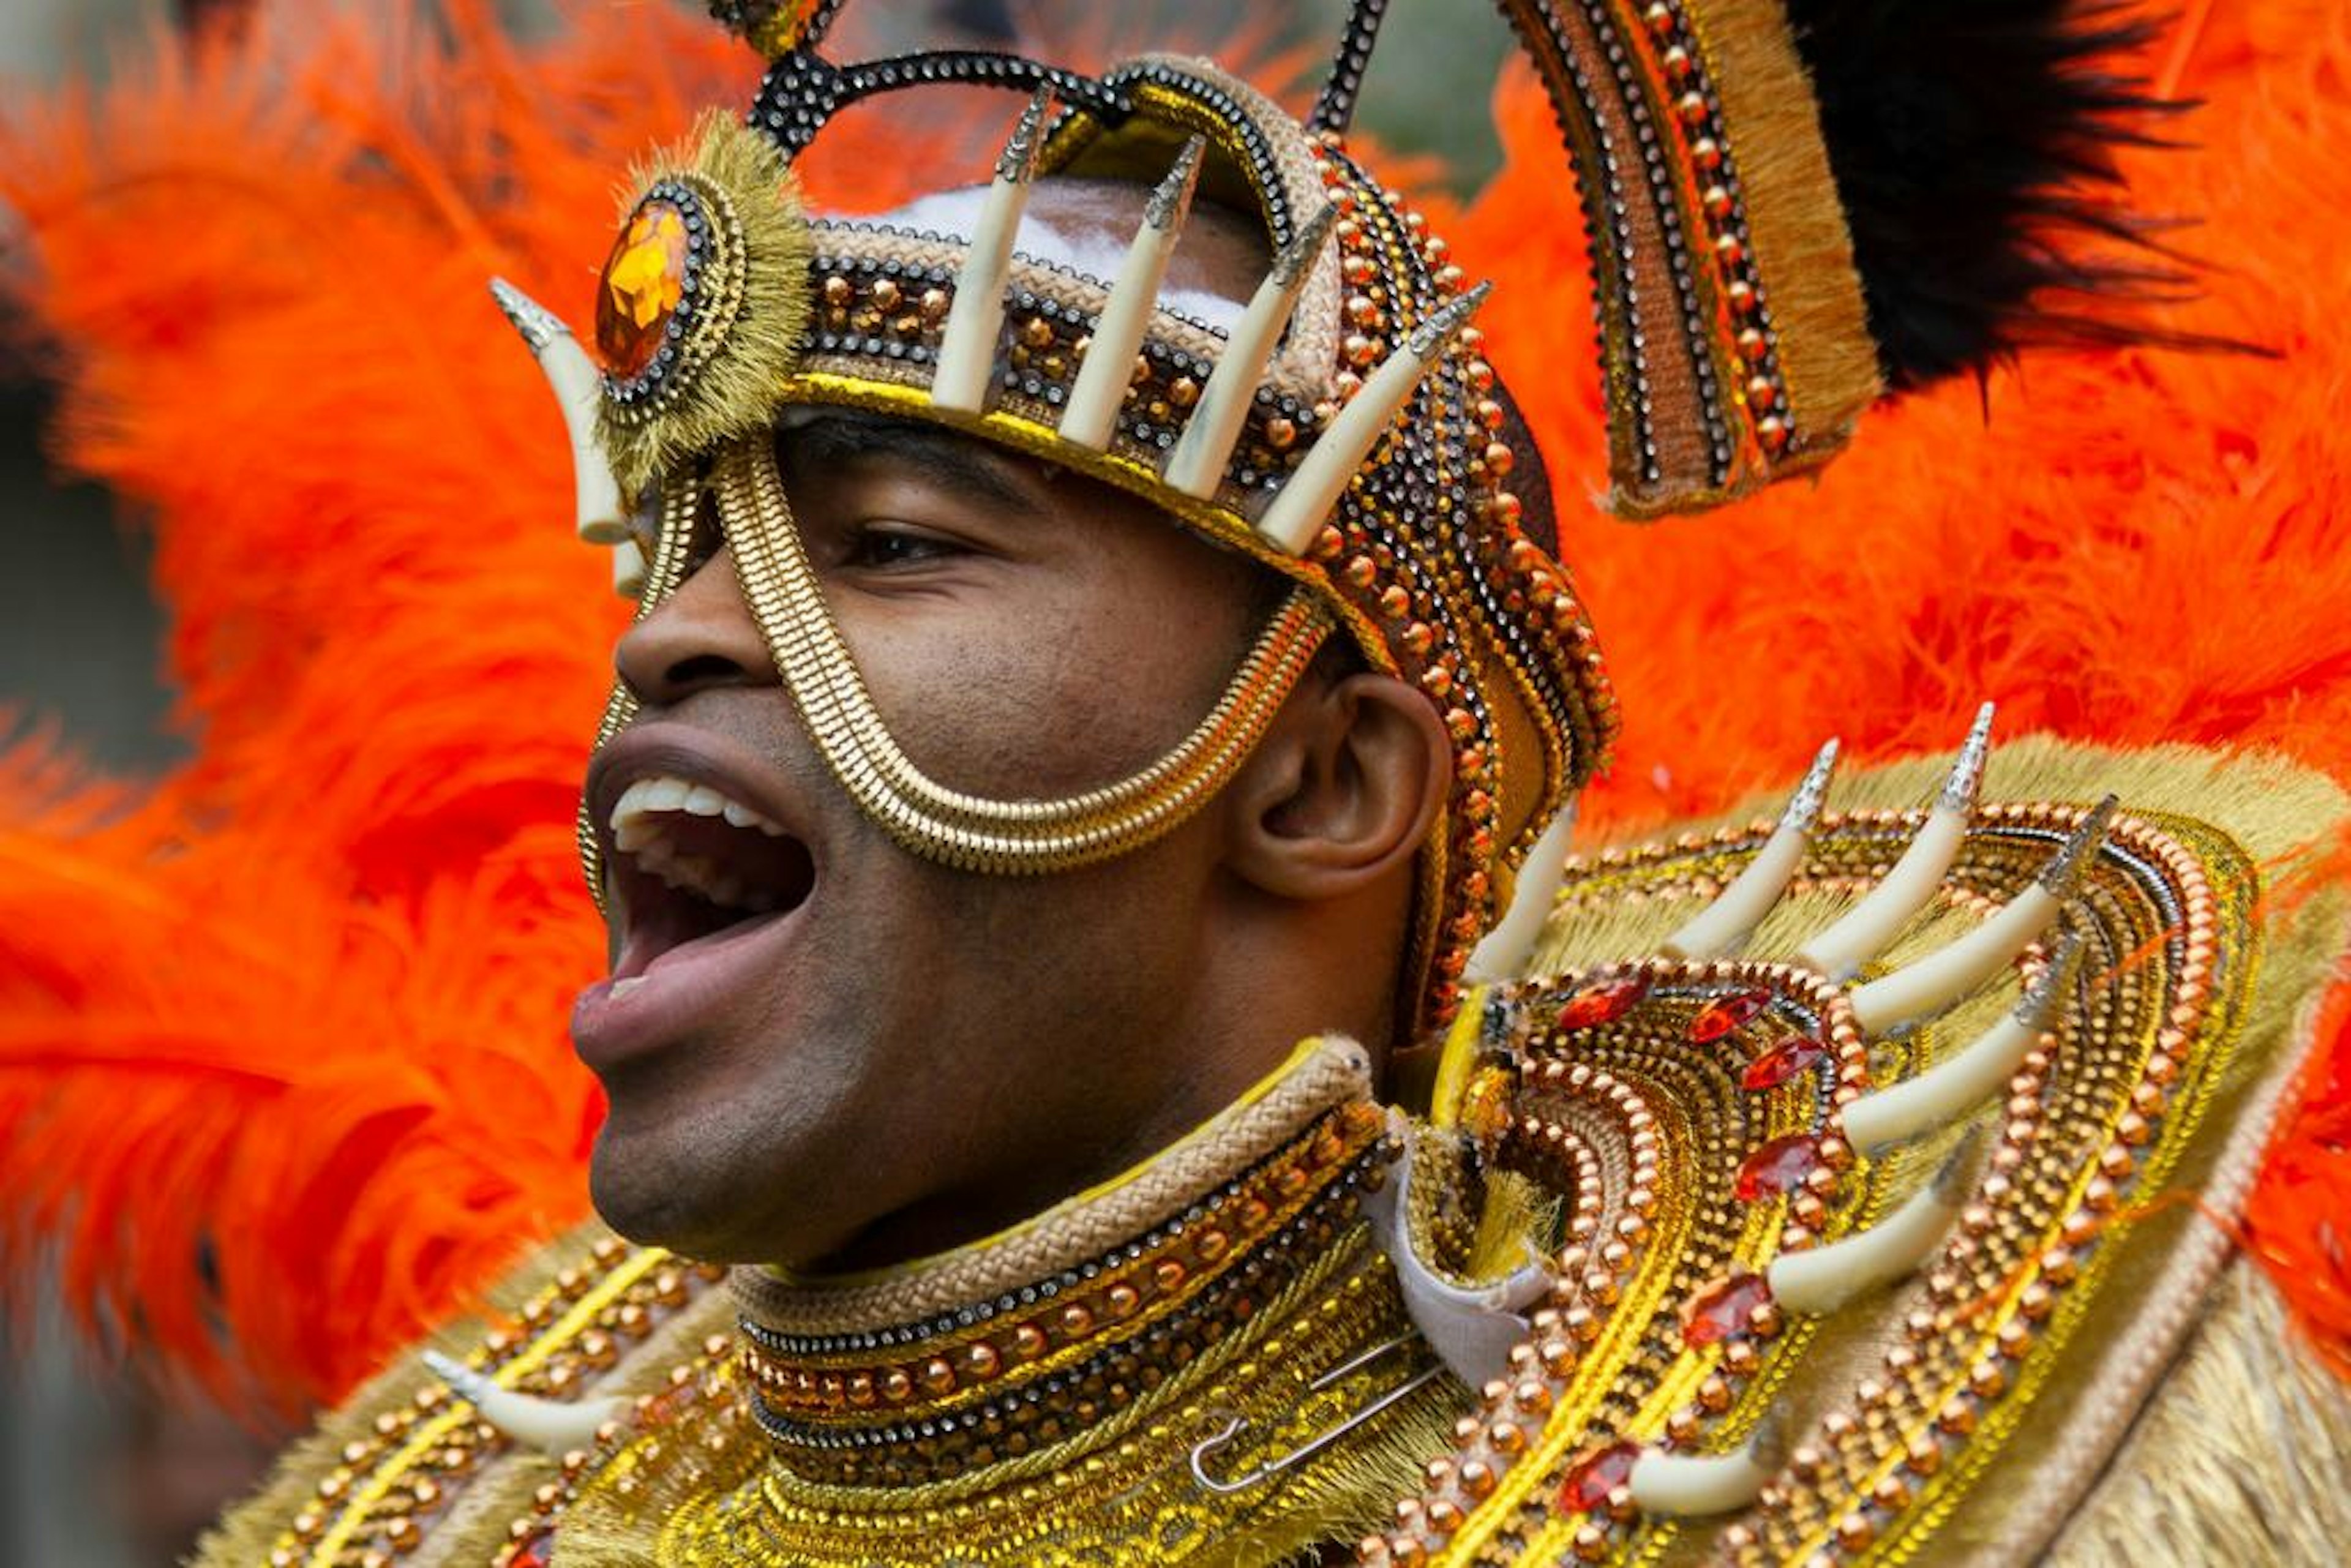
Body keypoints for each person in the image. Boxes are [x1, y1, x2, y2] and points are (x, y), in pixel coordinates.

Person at [6, 1, 2350, 1564]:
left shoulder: (1995, 1464)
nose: (671, 637)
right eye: (686, 548)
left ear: (1322, 784)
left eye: (894, 546)